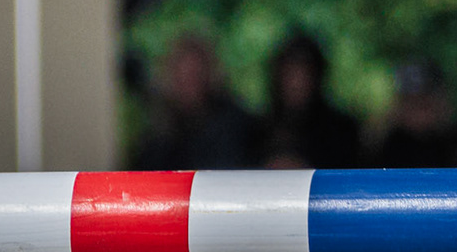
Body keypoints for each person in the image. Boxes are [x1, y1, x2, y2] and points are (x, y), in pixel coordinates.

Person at [133, 33, 257, 171]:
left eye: (195, 74)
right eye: (182, 76)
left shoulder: (236, 126)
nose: (189, 83)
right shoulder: (159, 133)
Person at [257, 34, 359, 169]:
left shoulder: (342, 132)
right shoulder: (257, 131)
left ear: (317, 77)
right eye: (290, 74)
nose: (296, 83)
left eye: (304, 74)